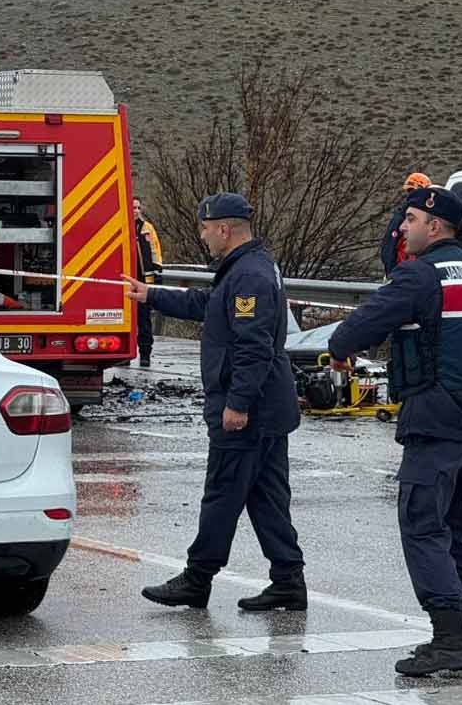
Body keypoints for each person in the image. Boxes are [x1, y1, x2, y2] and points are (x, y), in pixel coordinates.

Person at [327, 185, 462, 677]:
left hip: (435, 419)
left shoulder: (420, 275)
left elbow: (351, 333)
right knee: (458, 524)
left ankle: (448, 639)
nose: (402, 229)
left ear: (434, 226)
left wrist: (342, 345)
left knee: (422, 523)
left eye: (408, 220)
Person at [121, 192, 306, 611]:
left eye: (205, 228)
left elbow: (253, 347)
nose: (203, 236)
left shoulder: (251, 276)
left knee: (223, 493)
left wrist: (238, 404)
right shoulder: (243, 269)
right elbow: (208, 305)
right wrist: (150, 295)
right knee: (267, 496)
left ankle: (198, 578)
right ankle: (289, 580)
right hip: (269, 409)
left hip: (251, 411)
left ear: (224, 229)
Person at [380, 172, 432, 277]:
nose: (412, 195)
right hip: (401, 271)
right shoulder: (401, 216)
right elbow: (389, 246)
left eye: (414, 191)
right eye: (410, 191)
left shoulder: (426, 215)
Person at [133, 197, 162, 367]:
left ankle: (145, 354)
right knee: (128, 322)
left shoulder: (147, 228)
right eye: (132, 207)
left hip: (143, 280)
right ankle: (126, 355)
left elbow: (155, 251)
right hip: (124, 282)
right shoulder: (121, 227)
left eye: (138, 207)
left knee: (144, 319)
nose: (135, 210)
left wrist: (157, 271)